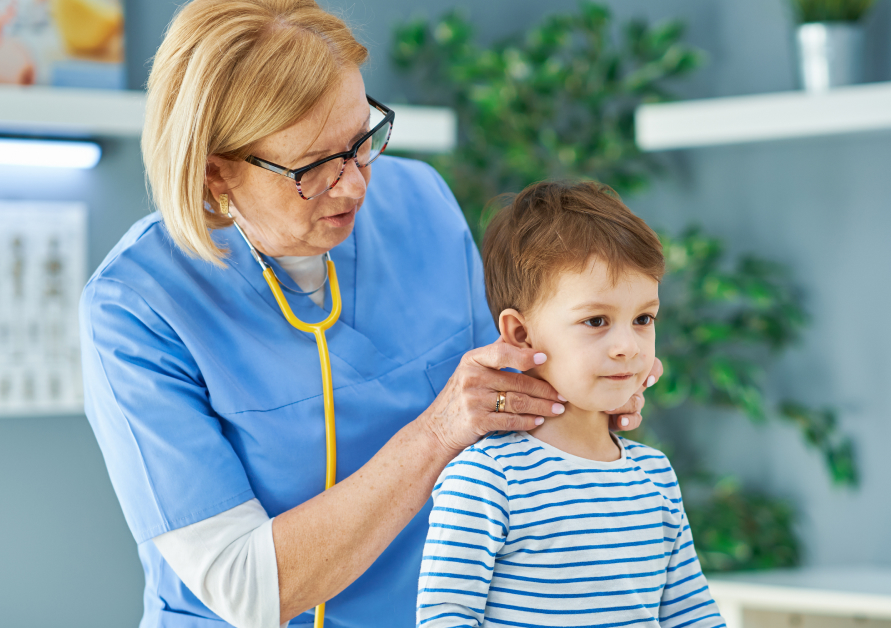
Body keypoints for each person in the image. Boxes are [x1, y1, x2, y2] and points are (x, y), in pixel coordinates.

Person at [80, 2, 659, 627]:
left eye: (361, 141)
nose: (355, 184)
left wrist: (586, 388)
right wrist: (437, 432)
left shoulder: (421, 203)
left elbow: (505, 400)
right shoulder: (136, 306)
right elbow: (246, 589)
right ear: (216, 171)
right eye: (313, 166)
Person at [416, 181, 725, 628]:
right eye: (596, 321)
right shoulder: (487, 479)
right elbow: (446, 617)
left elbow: (692, 615)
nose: (627, 346)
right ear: (520, 335)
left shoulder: (655, 477)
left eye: (643, 319)